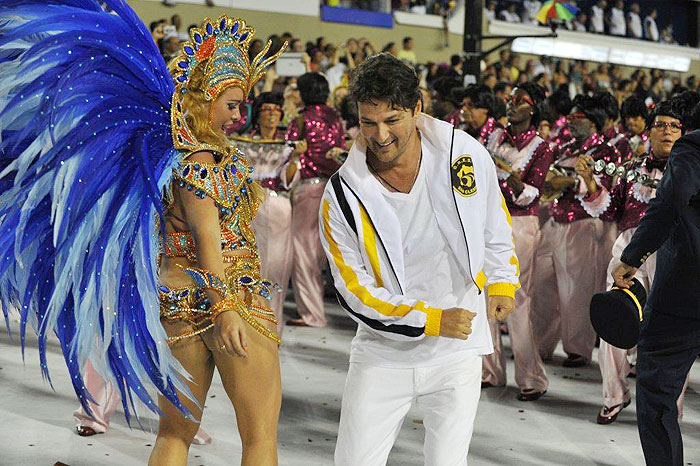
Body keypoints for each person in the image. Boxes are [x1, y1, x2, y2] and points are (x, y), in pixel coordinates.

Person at [0, 5, 285, 465]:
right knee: (260, 439)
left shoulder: (164, 162)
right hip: (229, 301)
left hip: (175, 308)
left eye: (242, 106)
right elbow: (211, 246)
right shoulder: (204, 168)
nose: (238, 116)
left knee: (174, 435)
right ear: (203, 100)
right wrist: (228, 308)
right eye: (232, 104)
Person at [323, 53, 518, 466]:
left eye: (392, 120)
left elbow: (494, 221)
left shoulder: (462, 154)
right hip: (383, 353)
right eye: (368, 122)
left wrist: (502, 280)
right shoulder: (341, 193)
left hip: (457, 351)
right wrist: (429, 319)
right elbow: (353, 292)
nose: (380, 135)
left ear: (417, 108)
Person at [611, 111, 700, 466]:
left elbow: (671, 201)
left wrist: (632, 256)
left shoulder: (692, 146)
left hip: (686, 291)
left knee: (658, 393)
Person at [598, 99, 688, 425]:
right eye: (660, 125)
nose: (667, 131)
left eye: (674, 126)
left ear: (686, 131)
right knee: (612, 320)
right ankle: (614, 395)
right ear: (648, 131)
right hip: (628, 250)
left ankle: (667, 412)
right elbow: (609, 211)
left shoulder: (692, 169)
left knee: (665, 336)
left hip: (673, 254)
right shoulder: (631, 167)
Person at [534, 94, 623, 367]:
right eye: (570, 117)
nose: (570, 122)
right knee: (541, 286)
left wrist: (566, 181)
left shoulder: (606, 152)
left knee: (576, 291)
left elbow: (601, 187)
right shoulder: (566, 147)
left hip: (583, 225)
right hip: (554, 221)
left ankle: (578, 349)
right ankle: (541, 344)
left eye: (577, 118)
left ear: (593, 122)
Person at [482, 83, 553, 401]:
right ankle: (490, 370)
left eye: (519, 101)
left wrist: (509, 176)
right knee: (485, 292)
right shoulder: (495, 135)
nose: (510, 105)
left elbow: (531, 194)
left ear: (533, 108)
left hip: (520, 223)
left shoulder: (541, 147)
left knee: (517, 298)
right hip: (490, 218)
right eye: (509, 99)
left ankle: (531, 378)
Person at [233, 92, 302, 336]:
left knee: (276, 267)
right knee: (248, 264)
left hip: (278, 206)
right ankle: (248, 325)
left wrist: (294, 158)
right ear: (258, 114)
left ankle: (272, 327)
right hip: (250, 206)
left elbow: (290, 180)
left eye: (276, 110)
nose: (272, 114)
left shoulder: (288, 146)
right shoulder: (242, 142)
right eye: (266, 109)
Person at [285, 73, 345, 327]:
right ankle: (315, 309)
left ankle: (312, 313)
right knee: (319, 251)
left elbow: (288, 152)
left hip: (308, 187)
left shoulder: (301, 119)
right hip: (332, 187)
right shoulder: (335, 117)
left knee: (303, 251)